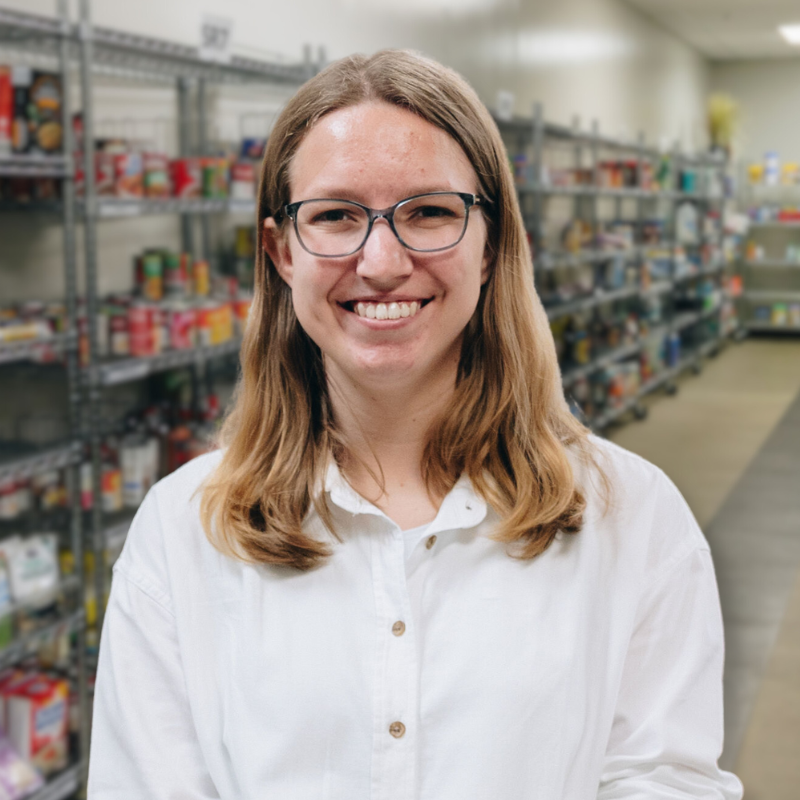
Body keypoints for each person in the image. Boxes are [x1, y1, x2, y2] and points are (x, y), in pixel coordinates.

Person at [88, 50, 743, 799]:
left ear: (491, 244)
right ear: (281, 253)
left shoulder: (633, 517)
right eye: (335, 216)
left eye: (429, 212)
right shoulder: (181, 533)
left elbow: (662, 779)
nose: (381, 261)